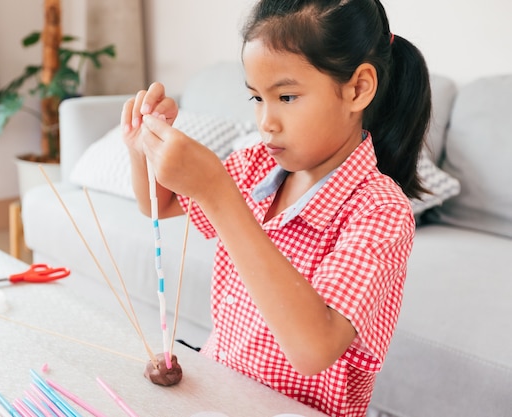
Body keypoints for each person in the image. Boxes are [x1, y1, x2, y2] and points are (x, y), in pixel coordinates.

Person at [120, 0, 431, 416]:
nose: (265, 121)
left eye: (286, 96)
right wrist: (142, 146)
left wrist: (218, 193)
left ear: (358, 88)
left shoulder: (379, 210)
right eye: (256, 98)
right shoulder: (254, 165)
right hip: (219, 391)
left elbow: (313, 349)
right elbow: (158, 204)